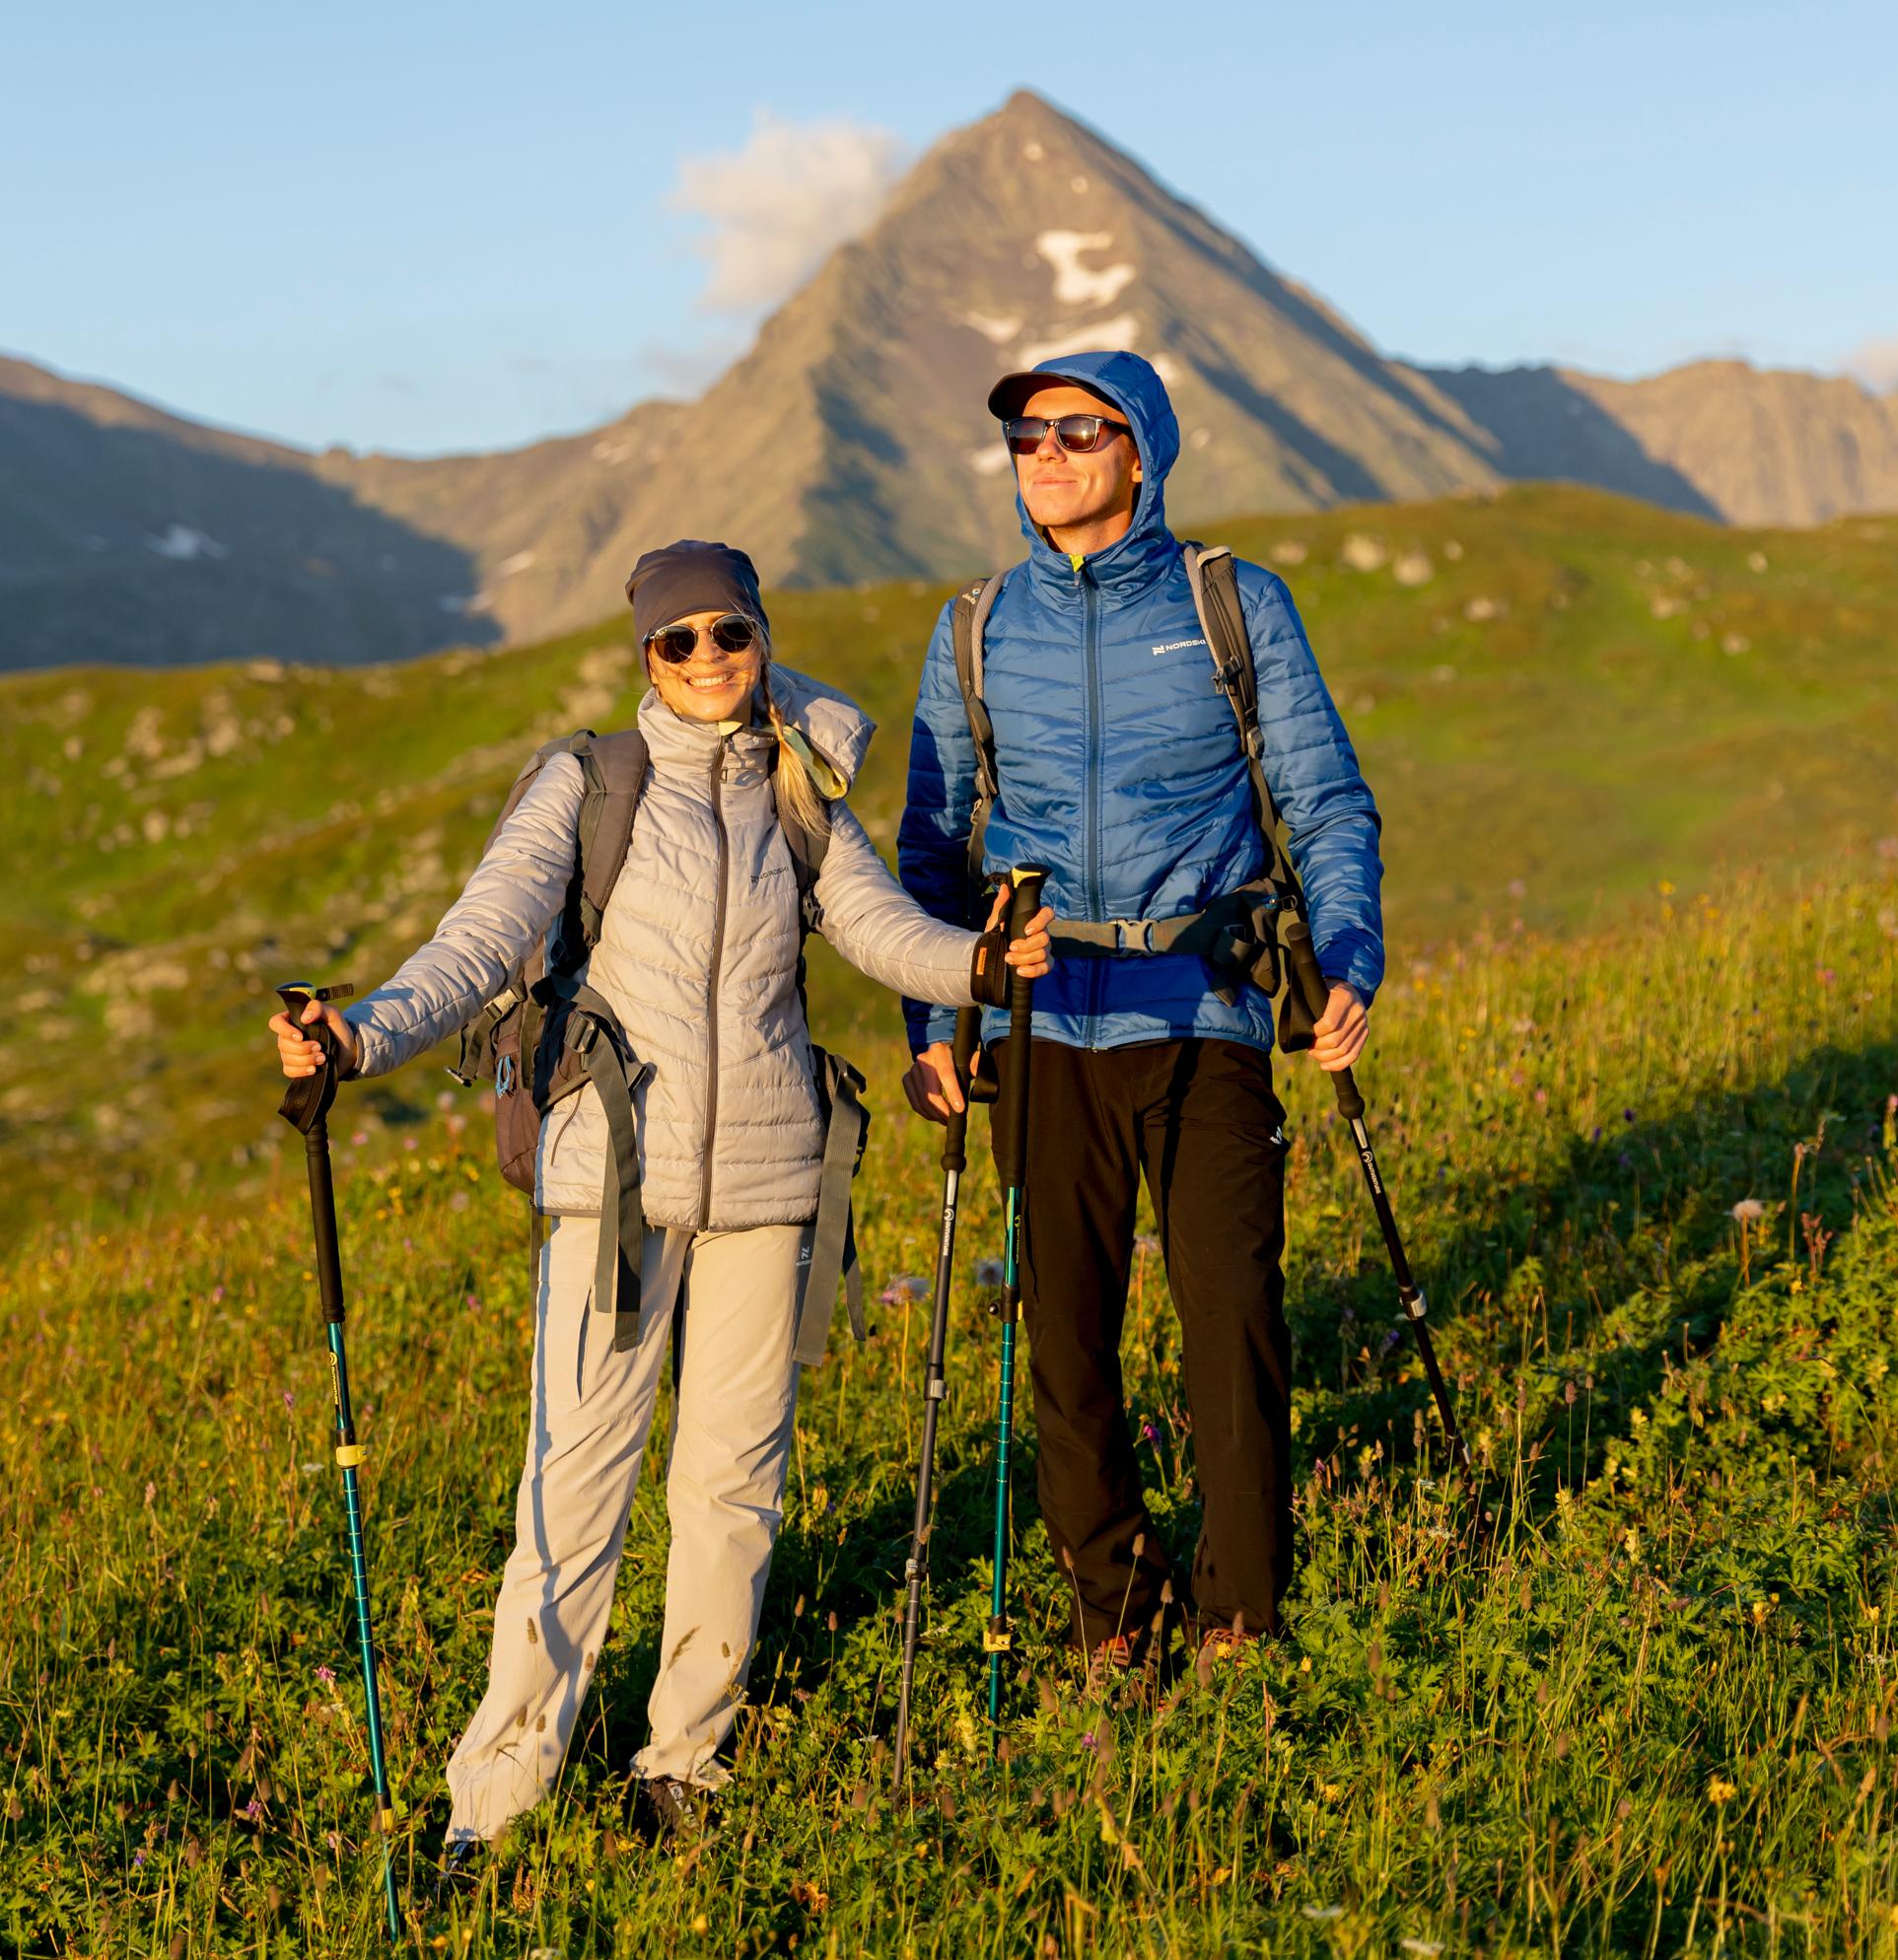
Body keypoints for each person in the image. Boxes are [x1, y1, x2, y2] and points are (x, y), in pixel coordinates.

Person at [269, 539, 1052, 1857]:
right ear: (643, 655)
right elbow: (478, 941)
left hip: (769, 1179)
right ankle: (500, 1795)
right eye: (675, 641)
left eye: (727, 636)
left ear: (760, 639)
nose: (705, 661)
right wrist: (358, 1036)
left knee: (733, 1486)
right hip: (610, 1189)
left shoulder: (797, 789)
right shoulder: (586, 784)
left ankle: (682, 1762)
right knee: (572, 1494)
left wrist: (978, 963)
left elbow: (874, 927)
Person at [896, 353, 1381, 1670]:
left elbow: (1324, 799)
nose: (1042, 453)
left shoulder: (1232, 605)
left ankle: (1238, 1616)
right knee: (1062, 1340)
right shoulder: (975, 629)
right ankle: (1116, 1614)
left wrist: (1344, 958)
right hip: (1041, 1028)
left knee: (1229, 1321)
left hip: (1207, 1008)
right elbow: (929, 849)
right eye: (1022, 435)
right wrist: (931, 1022)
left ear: (1141, 448)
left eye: (1076, 430)